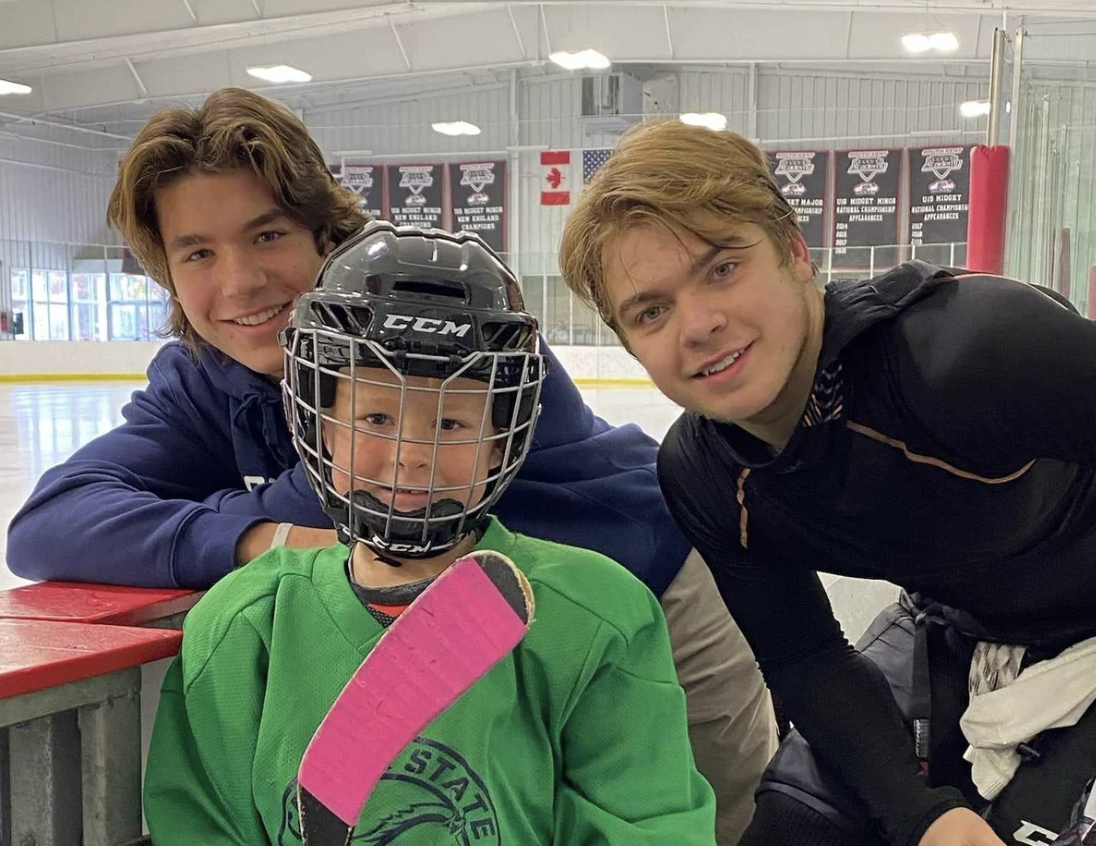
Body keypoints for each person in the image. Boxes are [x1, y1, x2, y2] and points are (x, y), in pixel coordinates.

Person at [5, 88, 776, 844]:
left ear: (325, 232)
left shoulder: (445, 319)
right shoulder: (206, 376)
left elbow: (353, 496)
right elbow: (49, 522)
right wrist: (261, 538)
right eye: (198, 252)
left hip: (639, 594)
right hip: (454, 628)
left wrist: (265, 518)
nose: (239, 281)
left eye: (268, 235)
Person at [557, 118, 1096, 846]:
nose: (699, 324)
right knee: (793, 825)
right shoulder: (704, 474)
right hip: (959, 625)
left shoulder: (969, 353)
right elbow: (805, 655)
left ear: (794, 250)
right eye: (652, 311)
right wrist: (922, 815)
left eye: (722, 269)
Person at [142, 220, 717, 846]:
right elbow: (202, 826)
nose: (411, 454)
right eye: (375, 415)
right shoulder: (242, 626)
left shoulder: (598, 617)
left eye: (450, 423)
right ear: (322, 427)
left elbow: (648, 825)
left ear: (500, 441)